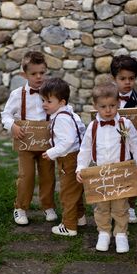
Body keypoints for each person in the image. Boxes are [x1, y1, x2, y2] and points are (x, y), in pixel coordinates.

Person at [76, 82, 137, 253]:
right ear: (95, 106)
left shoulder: (125, 124)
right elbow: (84, 149)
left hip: (121, 172)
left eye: (112, 106)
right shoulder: (92, 127)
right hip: (99, 173)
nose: (108, 110)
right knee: (101, 206)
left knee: (121, 205)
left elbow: (136, 145)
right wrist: (80, 168)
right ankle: (104, 232)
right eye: (103, 106)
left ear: (119, 104)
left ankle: (121, 234)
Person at [1, 51, 57, 225]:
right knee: (26, 176)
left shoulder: (52, 92)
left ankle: (48, 206)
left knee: (48, 175)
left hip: (46, 142)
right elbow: (6, 115)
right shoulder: (18, 94)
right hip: (26, 141)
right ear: (24, 75)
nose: (39, 77)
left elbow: (61, 111)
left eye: (42, 72)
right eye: (34, 74)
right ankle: (21, 207)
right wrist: (13, 126)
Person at [40, 77, 86, 236]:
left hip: (69, 159)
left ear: (62, 102)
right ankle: (79, 217)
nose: (44, 104)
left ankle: (69, 225)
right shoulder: (70, 114)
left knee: (67, 193)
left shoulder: (61, 119)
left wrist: (52, 152)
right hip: (77, 156)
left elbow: (67, 141)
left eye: (49, 101)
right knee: (76, 190)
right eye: (43, 100)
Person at [110, 55, 137, 224]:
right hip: (111, 145)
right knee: (113, 175)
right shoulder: (108, 98)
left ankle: (131, 207)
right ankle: (113, 206)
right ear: (114, 79)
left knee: (131, 178)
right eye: (122, 78)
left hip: (132, 146)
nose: (127, 82)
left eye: (131, 78)